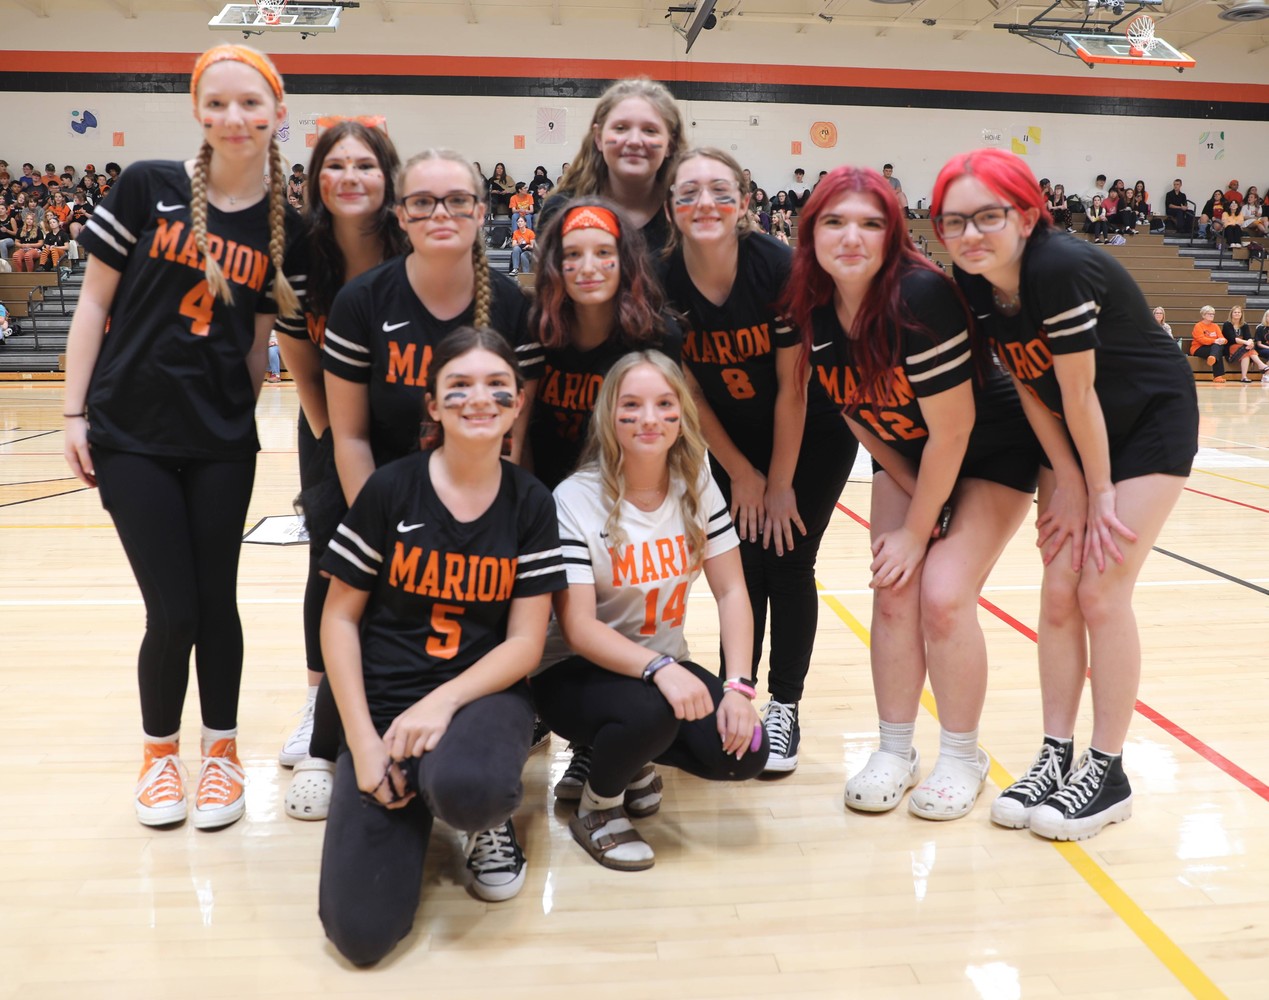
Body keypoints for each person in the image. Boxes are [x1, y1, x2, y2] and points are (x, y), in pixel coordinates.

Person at [61, 44, 300, 830]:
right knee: (173, 611)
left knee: (216, 600)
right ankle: (161, 758)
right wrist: (72, 414)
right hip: (131, 433)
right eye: (219, 103)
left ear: (277, 112)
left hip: (220, 442)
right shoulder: (148, 186)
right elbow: (93, 304)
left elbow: (258, 342)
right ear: (199, 111)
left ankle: (223, 754)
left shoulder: (284, 227)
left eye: (250, 104)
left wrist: (234, 416)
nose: (235, 118)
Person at [933, 148, 1198, 841]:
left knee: (1099, 591)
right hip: (1076, 437)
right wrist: (1068, 478)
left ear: (1025, 214)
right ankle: (1055, 754)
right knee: (1056, 592)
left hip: (1144, 423)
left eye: (987, 216)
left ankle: (1106, 769)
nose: (969, 234)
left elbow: (1078, 391)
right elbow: (1029, 384)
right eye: (953, 221)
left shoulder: (1057, 267)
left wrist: (1095, 490)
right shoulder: (978, 284)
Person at [788, 165, 1039, 820]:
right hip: (904, 450)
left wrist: (917, 526)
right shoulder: (810, 303)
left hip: (987, 448)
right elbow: (849, 409)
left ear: (893, 234)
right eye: (834, 221)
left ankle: (961, 756)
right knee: (892, 590)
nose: (850, 237)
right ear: (810, 230)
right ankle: (894, 751)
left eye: (870, 223)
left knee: (942, 595)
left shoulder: (919, 299)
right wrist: (905, 494)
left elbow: (953, 433)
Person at [323, 148, 543, 874]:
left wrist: (478, 529)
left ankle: (478, 771)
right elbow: (348, 433)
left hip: (479, 503)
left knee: (482, 663)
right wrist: (378, 533)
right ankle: (341, 733)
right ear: (400, 215)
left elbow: (514, 434)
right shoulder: (365, 301)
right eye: (422, 203)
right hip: (386, 499)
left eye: (457, 201)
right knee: (345, 615)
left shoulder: (512, 305)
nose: (440, 214)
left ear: (484, 213)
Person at [318, 327, 565, 965]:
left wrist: (444, 703)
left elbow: (526, 644)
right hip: (386, 704)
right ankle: (415, 791)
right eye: (458, 386)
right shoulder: (390, 490)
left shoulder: (532, 503)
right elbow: (338, 620)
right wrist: (366, 746)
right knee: (361, 936)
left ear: (515, 405)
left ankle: (474, 809)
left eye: (496, 388)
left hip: (482, 695)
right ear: (432, 404)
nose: (477, 399)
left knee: (471, 788)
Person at [533, 350, 768, 872]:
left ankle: (627, 754)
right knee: (652, 711)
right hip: (572, 673)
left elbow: (732, 592)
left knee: (747, 748)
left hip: (660, 668)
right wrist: (661, 669)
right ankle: (599, 809)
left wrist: (738, 688)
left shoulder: (698, 486)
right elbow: (578, 626)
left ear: (682, 414)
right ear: (608, 416)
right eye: (632, 405)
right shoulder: (574, 498)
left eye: (665, 404)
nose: (649, 418)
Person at [663, 148, 857, 774]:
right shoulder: (662, 278)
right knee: (741, 567)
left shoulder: (778, 268)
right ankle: (735, 694)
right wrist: (741, 473)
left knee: (789, 562)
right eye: (688, 192)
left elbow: (795, 387)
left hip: (813, 433)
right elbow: (688, 388)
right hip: (729, 441)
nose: (704, 204)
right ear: (670, 207)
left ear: (745, 201)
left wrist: (777, 483)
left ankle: (786, 706)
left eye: (720, 190)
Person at [272, 120, 409, 820]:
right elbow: (295, 350)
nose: (349, 177)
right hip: (331, 419)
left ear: (387, 177)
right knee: (334, 560)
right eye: (335, 166)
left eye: (364, 165)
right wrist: (334, 440)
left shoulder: (410, 243)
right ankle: (317, 699)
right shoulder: (299, 254)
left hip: (411, 425)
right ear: (315, 180)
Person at [540, 77, 684, 256]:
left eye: (650, 130)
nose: (634, 141)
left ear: (670, 143)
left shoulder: (688, 215)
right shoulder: (560, 211)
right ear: (598, 138)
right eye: (621, 128)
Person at [1223, 305, 1265, 382]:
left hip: (1243, 347)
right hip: (1230, 347)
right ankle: (1260, 365)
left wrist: (1250, 342)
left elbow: (1248, 336)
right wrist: (1247, 342)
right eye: (1235, 312)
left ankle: (1244, 377)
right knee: (1247, 349)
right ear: (1231, 314)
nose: (1237, 314)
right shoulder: (1227, 324)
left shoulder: (1244, 325)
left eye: (1239, 312)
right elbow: (1232, 339)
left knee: (1247, 353)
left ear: (1242, 314)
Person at [1189, 305, 1227, 382]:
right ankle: (1218, 376)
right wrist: (1214, 341)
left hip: (1213, 347)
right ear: (1203, 315)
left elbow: (1222, 337)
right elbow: (1201, 339)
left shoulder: (1215, 326)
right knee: (1217, 349)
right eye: (1209, 314)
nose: (1211, 315)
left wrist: (1223, 340)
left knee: (1217, 347)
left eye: (1213, 314)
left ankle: (1213, 357)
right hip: (1199, 348)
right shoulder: (1198, 326)